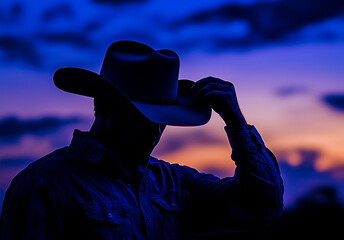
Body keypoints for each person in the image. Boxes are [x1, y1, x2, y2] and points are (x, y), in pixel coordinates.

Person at [0, 41, 284, 239]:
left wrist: (236, 123)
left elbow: (262, 207)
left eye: (162, 118)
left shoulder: (176, 183)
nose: (154, 130)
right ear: (103, 107)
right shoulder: (43, 185)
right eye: (140, 116)